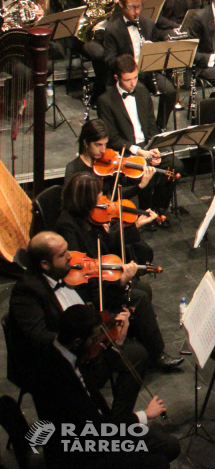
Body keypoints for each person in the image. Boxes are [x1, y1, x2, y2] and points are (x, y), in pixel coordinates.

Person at [8, 232, 146, 417]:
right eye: (62, 254)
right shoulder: (26, 292)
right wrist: (86, 341)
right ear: (44, 264)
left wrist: (108, 325)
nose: (70, 257)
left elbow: (95, 303)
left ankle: (114, 421)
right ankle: (114, 427)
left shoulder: (67, 274)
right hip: (58, 363)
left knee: (136, 353)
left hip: (85, 347)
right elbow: (39, 337)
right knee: (132, 356)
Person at [28, 304, 180, 469]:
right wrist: (144, 415)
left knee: (170, 446)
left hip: (94, 435)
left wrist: (118, 342)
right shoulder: (59, 376)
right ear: (78, 342)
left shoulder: (65, 352)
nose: (99, 340)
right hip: (83, 453)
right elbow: (99, 429)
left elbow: (96, 381)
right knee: (159, 463)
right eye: (94, 338)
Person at [55, 174, 183, 369]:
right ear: (85, 199)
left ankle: (136, 336)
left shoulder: (88, 217)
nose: (102, 199)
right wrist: (118, 281)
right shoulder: (68, 225)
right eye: (97, 194)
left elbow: (105, 246)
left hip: (98, 275)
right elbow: (80, 265)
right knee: (138, 296)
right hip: (86, 285)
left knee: (143, 288)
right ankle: (157, 354)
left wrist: (134, 226)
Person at [96, 55, 170, 212]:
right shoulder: (105, 101)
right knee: (144, 172)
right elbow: (112, 138)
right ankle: (144, 212)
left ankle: (159, 210)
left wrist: (154, 147)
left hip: (146, 145)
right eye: (127, 80)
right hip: (127, 149)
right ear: (117, 78)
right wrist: (138, 151)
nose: (132, 83)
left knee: (174, 167)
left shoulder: (143, 92)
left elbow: (151, 125)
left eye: (135, 78)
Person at [102, 0, 178, 129]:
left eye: (139, 6)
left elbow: (157, 48)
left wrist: (152, 49)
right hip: (127, 75)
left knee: (170, 91)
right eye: (132, 7)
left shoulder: (148, 24)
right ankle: (142, 130)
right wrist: (129, 64)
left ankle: (159, 127)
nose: (136, 11)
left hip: (147, 71)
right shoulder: (112, 29)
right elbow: (109, 60)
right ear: (121, 5)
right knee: (142, 94)